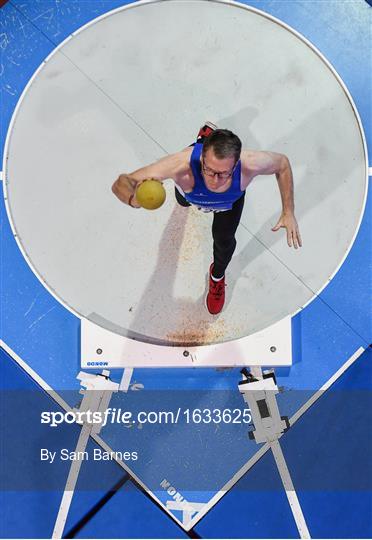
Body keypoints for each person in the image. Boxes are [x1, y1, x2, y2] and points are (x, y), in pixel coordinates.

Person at [112, 123, 302, 315]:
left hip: (229, 202)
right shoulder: (180, 164)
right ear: (202, 158)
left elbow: (282, 164)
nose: (214, 179)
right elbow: (122, 183)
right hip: (190, 193)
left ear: (236, 165)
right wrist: (132, 199)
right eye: (209, 169)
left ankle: (217, 278)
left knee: (224, 240)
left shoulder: (250, 163)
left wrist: (288, 211)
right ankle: (203, 140)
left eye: (223, 173)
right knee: (183, 202)